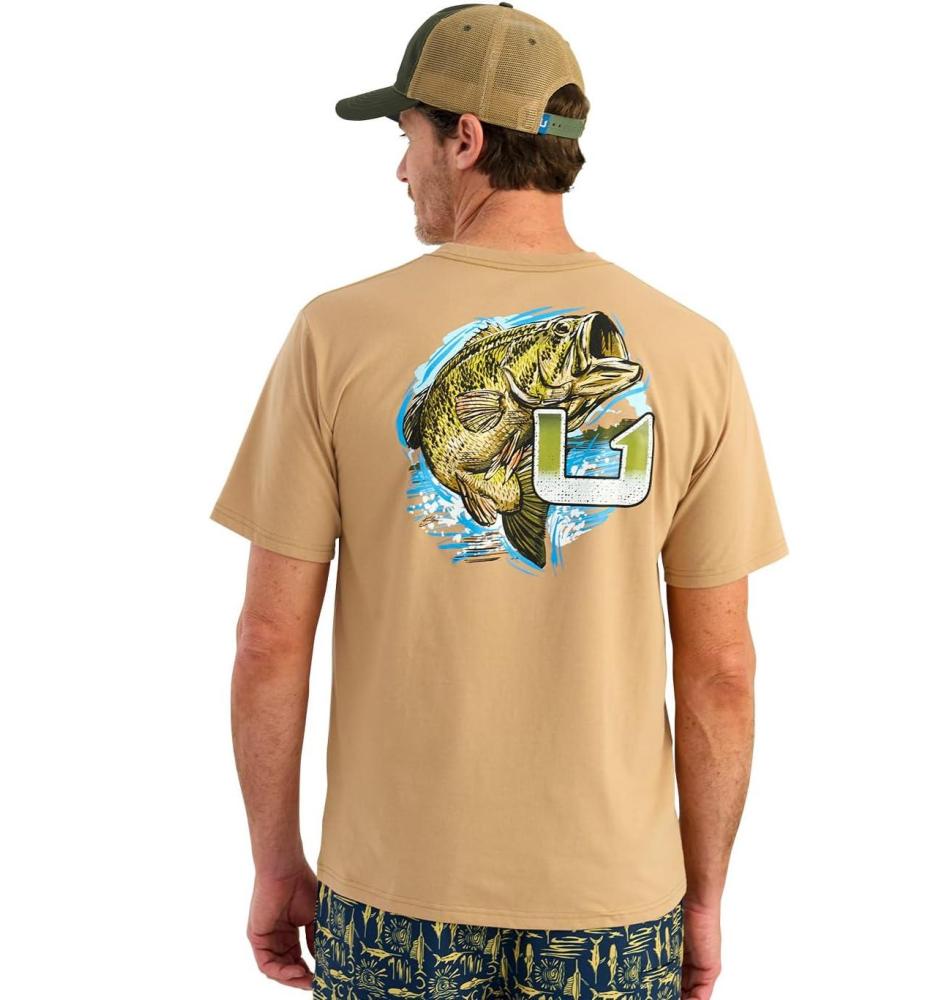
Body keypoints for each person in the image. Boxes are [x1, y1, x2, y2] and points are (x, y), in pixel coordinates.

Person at [209, 4, 787, 998]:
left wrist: (274, 860)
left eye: (408, 138)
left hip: (392, 897)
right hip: (614, 907)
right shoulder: (697, 351)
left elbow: (268, 638)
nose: (401, 171)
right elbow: (721, 670)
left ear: (465, 140)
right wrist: (702, 895)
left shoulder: (336, 334)